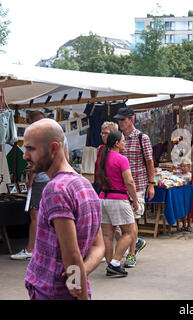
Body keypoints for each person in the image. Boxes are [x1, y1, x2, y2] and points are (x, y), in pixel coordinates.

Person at [23, 118, 104, 300]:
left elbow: (72, 254)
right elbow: (99, 246)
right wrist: (79, 276)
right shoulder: (85, 185)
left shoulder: (55, 189)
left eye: (31, 149)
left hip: (52, 292)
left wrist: (76, 284)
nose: (25, 156)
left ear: (53, 148)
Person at [10, 111, 70, 261]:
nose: (26, 155)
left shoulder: (40, 137)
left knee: (36, 215)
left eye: (30, 149)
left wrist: (31, 179)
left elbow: (34, 162)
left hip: (43, 180)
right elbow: (67, 158)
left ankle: (31, 248)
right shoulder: (61, 136)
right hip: (55, 178)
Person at [97, 130, 139, 278]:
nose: (124, 143)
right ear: (116, 143)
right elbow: (129, 181)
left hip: (103, 198)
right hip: (118, 199)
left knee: (108, 235)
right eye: (123, 141)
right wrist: (135, 199)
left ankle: (110, 265)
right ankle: (115, 263)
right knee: (129, 232)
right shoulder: (121, 159)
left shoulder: (103, 157)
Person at [115, 106, 153, 268]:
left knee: (132, 220)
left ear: (132, 119)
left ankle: (131, 254)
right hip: (120, 186)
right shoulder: (118, 138)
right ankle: (135, 242)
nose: (120, 122)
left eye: (123, 120)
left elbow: (149, 161)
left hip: (137, 184)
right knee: (119, 222)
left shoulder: (142, 138)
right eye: (119, 120)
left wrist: (151, 184)